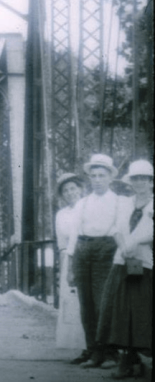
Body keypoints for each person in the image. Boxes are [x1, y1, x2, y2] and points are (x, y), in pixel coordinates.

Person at [97, 160, 153, 380]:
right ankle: (127, 358)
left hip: (144, 262)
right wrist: (124, 246)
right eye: (135, 178)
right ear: (131, 182)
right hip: (125, 261)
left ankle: (141, 357)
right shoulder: (125, 203)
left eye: (144, 178)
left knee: (142, 308)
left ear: (150, 181)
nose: (139, 182)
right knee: (122, 309)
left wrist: (135, 242)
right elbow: (116, 228)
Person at [67, 153, 120, 368]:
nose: (97, 179)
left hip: (106, 251)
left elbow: (121, 231)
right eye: (94, 175)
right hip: (83, 250)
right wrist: (71, 266)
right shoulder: (83, 202)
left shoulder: (119, 202)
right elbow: (73, 233)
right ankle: (93, 351)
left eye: (101, 175)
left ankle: (109, 353)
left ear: (110, 178)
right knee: (86, 304)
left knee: (103, 303)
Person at [55, 173, 86, 351]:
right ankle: (78, 346)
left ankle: (92, 347)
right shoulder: (61, 214)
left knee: (87, 302)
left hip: (86, 255)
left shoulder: (88, 207)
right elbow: (61, 243)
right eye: (65, 190)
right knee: (71, 303)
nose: (70, 193)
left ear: (80, 189)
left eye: (73, 188)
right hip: (69, 260)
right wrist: (63, 270)